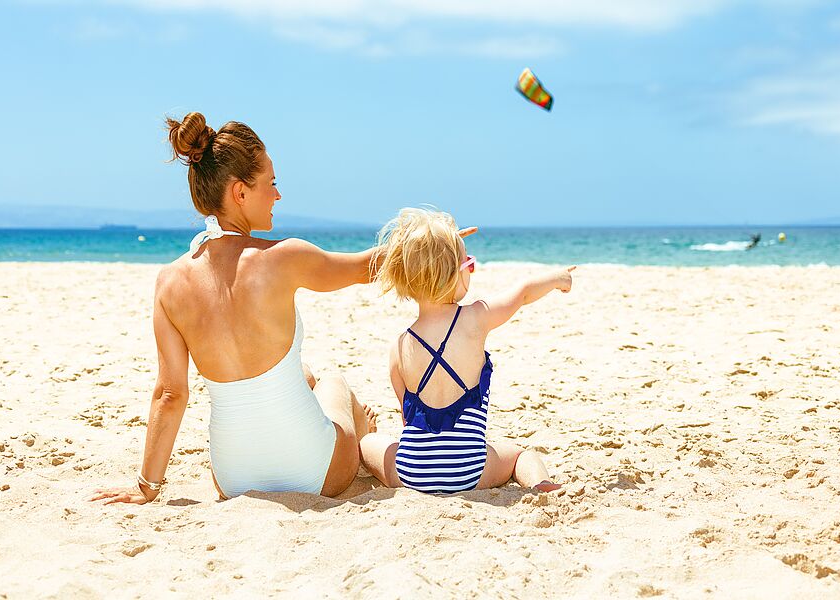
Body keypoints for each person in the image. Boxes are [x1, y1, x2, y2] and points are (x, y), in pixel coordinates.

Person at [90, 113, 475, 505]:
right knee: (332, 383)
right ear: (240, 192)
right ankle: (362, 430)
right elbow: (366, 268)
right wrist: (433, 246)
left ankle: (342, 421)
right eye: (271, 183)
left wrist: (146, 487)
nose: (278, 195)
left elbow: (170, 395)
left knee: (302, 375)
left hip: (233, 478)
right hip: (316, 470)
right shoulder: (284, 258)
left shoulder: (168, 282)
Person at [360, 207, 571, 494]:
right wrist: (558, 278)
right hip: (467, 470)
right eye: (468, 264)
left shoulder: (399, 347)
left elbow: (408, 420)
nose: (472, 270)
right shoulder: (475, 318)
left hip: (413, 472)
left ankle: (365, 435)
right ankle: (542, 484)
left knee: (368, 444)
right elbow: (522, 293)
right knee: (520, 455)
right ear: (452, 274)